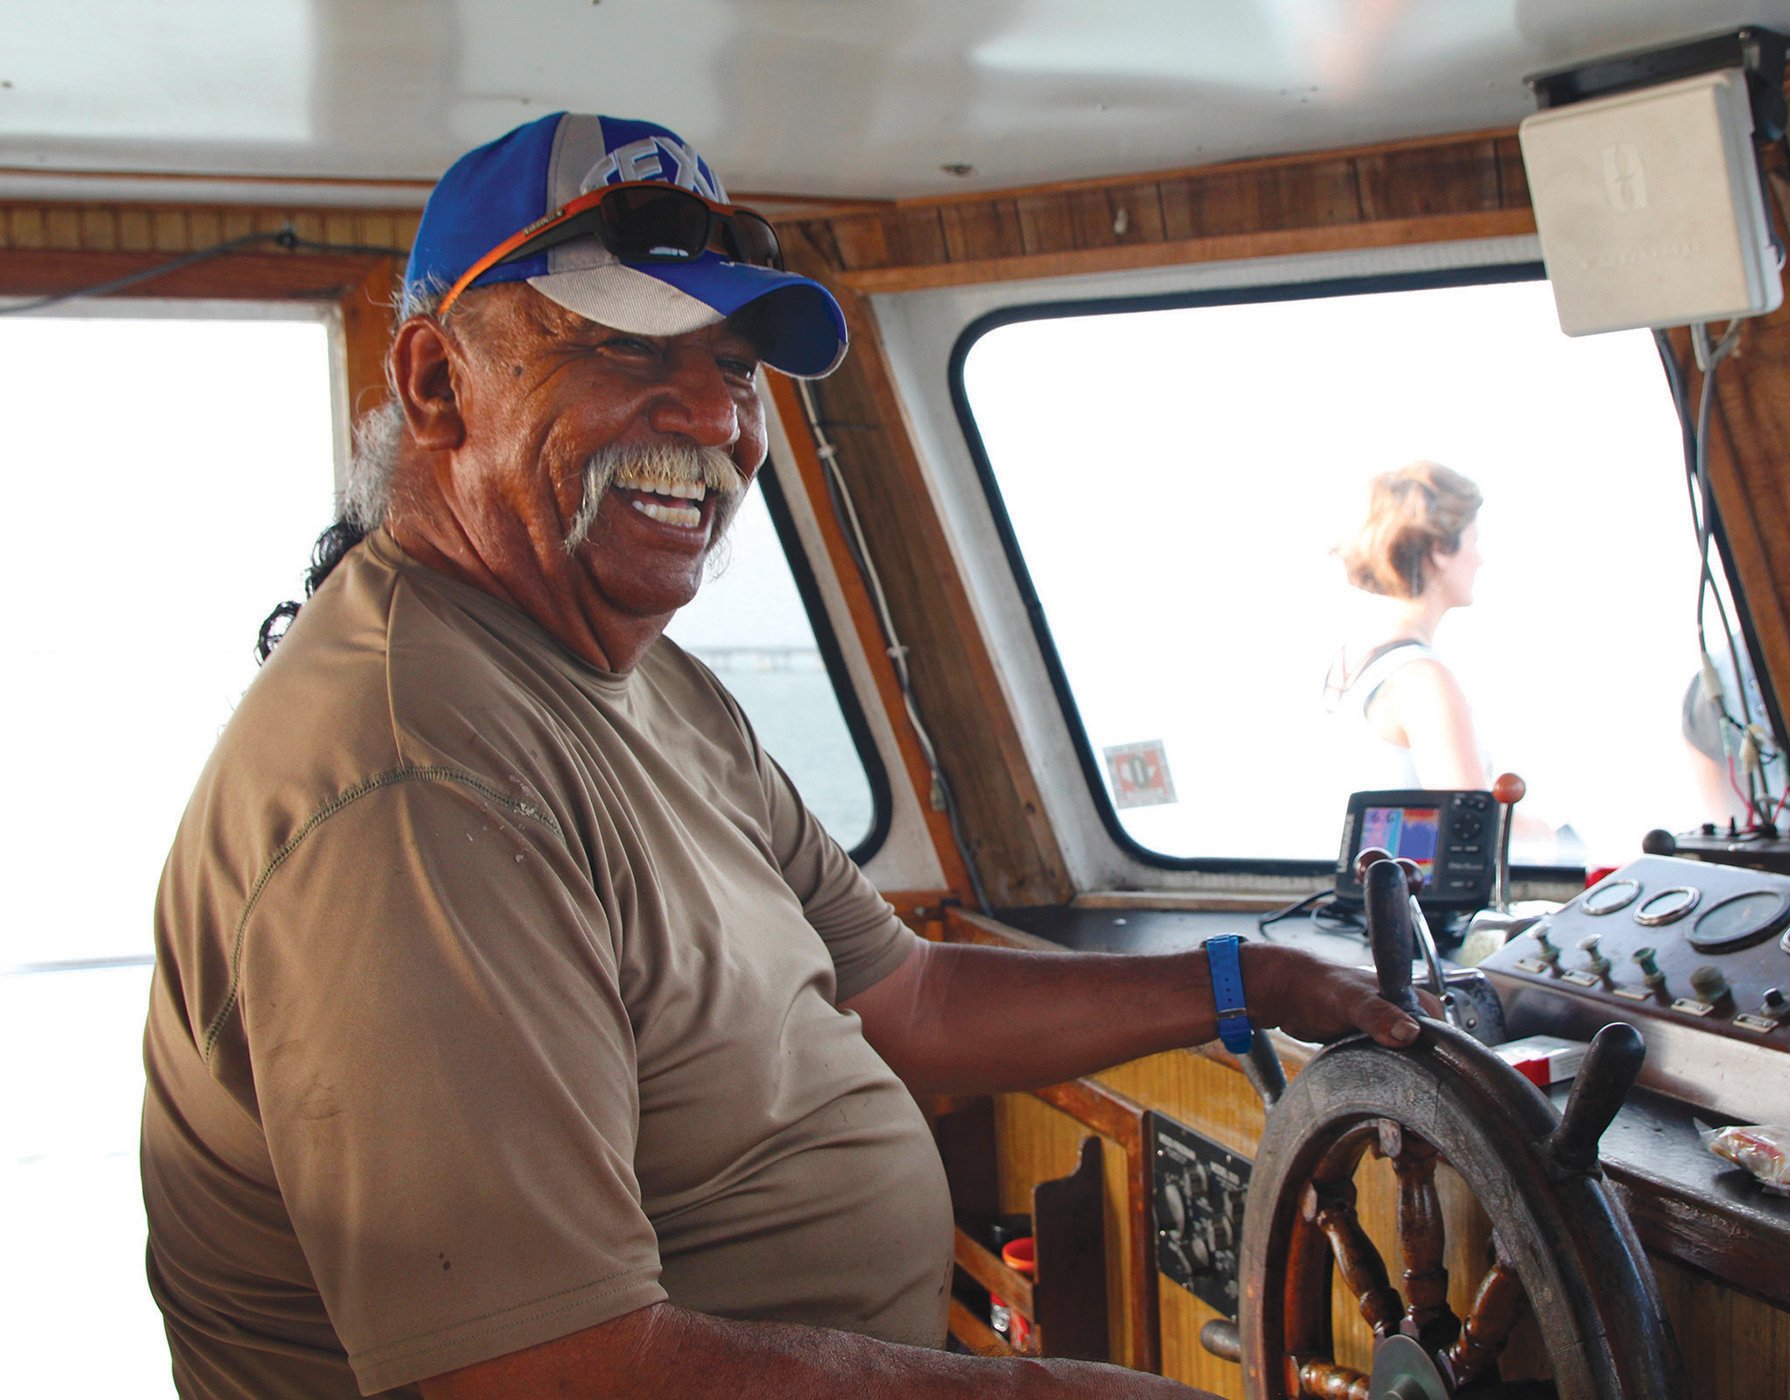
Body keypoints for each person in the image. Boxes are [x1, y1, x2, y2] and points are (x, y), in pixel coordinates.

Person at [139, 112, 1415, 1400]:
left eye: (737, 364)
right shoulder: (412, 780)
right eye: (630, 346)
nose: (713, 416)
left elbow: (905, 999)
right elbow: (553, 1374)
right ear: (434, 383)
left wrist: (1249, 978)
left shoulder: (648, 681)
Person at [1324, 462, 1490, 791]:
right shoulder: (1425, 682)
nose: (1480, 558)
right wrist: (1549, 836)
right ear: (1441, 548)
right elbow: (1471, 829)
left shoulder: (1347, 667)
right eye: (1474, 540)